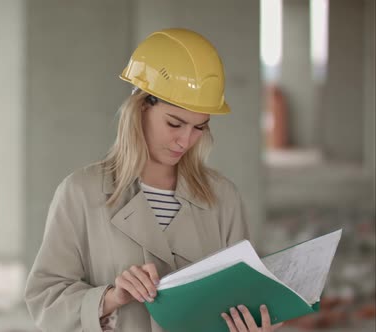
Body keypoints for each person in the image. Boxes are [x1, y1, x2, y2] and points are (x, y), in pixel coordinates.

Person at [24, 28, 284, 332]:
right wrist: (110, 297)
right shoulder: (80, 193)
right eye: (175, 123)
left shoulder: (222, 197)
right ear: (141, 107)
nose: (185, 140)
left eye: (200, 127)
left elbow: (242, 297)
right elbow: (46, 300)